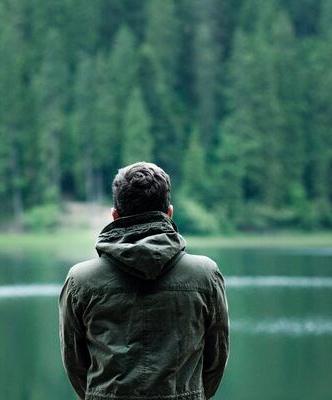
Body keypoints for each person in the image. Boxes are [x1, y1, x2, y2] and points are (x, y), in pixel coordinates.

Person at [59, 162, 229, 400]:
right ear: (169, 213)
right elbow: (216, 359)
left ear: (114, 216)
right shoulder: (205, 274)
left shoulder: (80, 280)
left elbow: (75, 364)